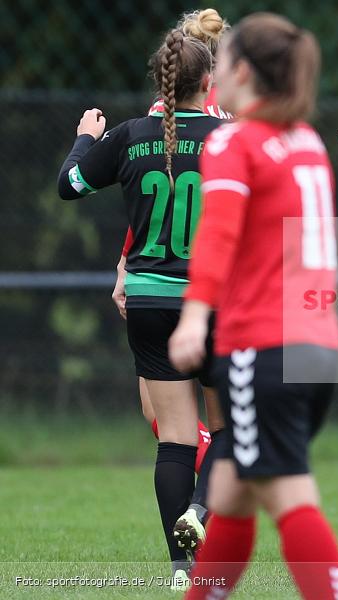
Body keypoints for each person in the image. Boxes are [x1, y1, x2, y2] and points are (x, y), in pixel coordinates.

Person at [168, 13, 338, 599]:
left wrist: (194, 318)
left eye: (221, 58)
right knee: (229, 499)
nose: (213, 66)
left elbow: (217, 237)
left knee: (289, 497)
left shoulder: (235, 139)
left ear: (241, 71)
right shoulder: (306, 142)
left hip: (261, 348)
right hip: (316, 346)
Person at [58, 30, 220, 590]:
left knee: (174, 436)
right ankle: (199, 513)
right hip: (212, 302)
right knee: (226, 433)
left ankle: (181, 570)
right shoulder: (231, 139)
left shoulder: (129, 136)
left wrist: (84, 141)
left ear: (161, 83)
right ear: (209, 83)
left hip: (149, 301)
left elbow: (69, 186)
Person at [108, 8, 231, 558]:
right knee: (198, 421)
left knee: (169, 427)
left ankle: (188, 547)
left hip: (154, 287)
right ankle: (203, 509)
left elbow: (146, 204)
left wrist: (124, 268)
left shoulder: (157, 121)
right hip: (206, 290)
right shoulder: (220, 126)